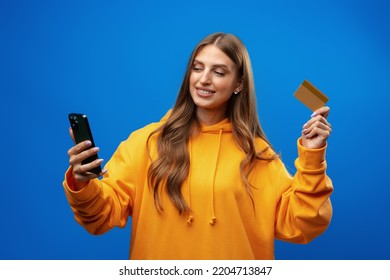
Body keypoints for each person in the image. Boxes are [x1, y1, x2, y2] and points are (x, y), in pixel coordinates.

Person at [63, 32, 333, 260]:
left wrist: (312, 157)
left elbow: (301, 224)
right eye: (197, 67)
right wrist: (82, 182)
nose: (204, 79)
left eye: (218, 72)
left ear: (238, 84)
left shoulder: (257, 155)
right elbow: (99, 217)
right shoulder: (146, 143)